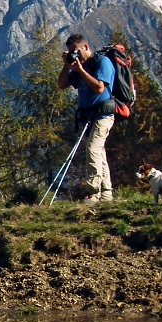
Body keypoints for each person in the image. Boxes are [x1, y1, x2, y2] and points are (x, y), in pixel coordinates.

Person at [58, 34, 116, 201]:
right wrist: (67, 66)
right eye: (70, 52)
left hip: (104, 113)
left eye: (75, 51)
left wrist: (81, 70)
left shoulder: (102, 62)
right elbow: (62, 85)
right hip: (88, 115)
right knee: (99, 152)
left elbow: (99, 88)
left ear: (85, 47)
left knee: (93, 148)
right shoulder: (77, 67)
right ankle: (106, 195)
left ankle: (92, 191)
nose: (74, 54)